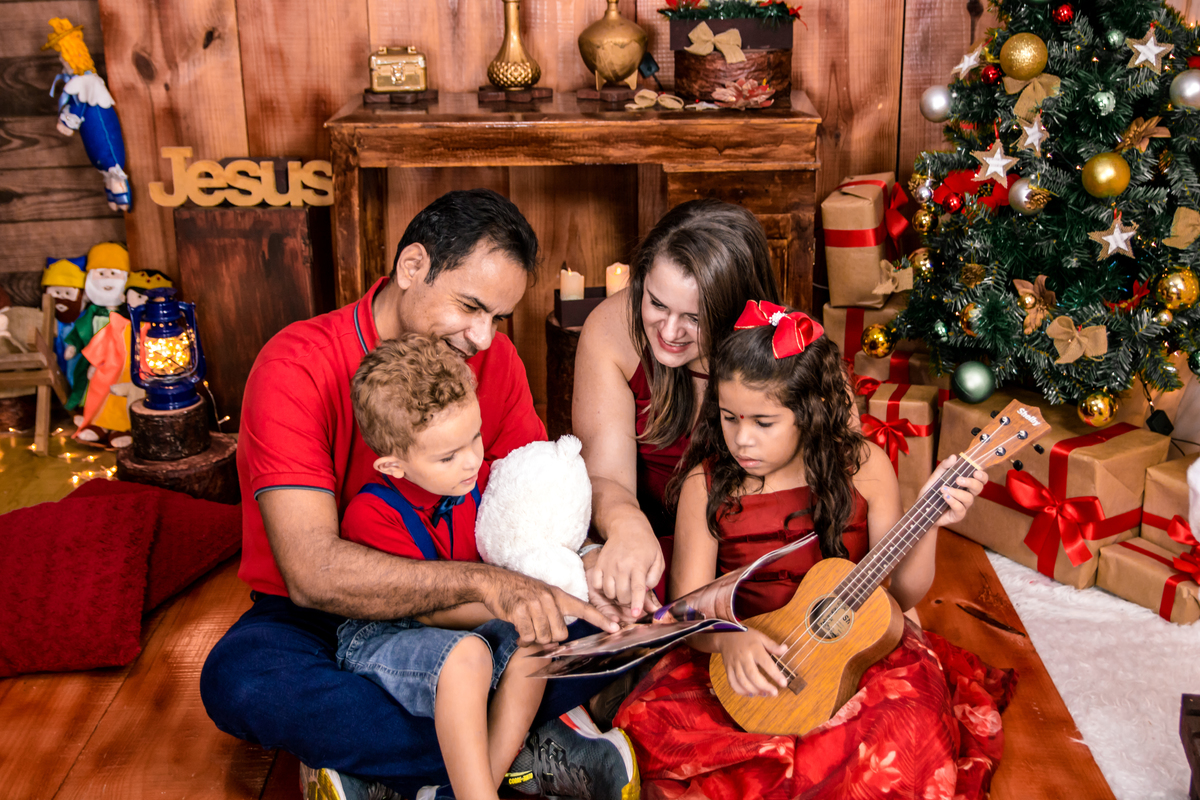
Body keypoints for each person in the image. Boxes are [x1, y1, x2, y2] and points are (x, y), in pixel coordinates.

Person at [199, 189, 623, 800]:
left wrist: (594, 558)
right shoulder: (296, 366)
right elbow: (312, 572)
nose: (483, 337)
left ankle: (380, 765)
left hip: (474, 616)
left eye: (498, 318)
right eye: (470, 307)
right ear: (413, 266)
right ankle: (516, 746)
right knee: (241, 682)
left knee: (612, 625)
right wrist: (486, 585)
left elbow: (536, 501)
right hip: (321, 620)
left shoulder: (495, 360)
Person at [612, 302, 1015, 800]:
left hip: (855, 656)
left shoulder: (864, 468)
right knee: (651, 725)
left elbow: (901, 596)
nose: (741, 439)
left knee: (906, 736)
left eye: (764, 422)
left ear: (809, 412)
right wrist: (729, 641)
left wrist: (928, 523)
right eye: (729, 417)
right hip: (744, 657)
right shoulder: (707, 484)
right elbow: (690, 612)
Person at [336, 334, 636, 800]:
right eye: (448, 456)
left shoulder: (473, 484)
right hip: (388, 634)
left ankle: (469, 791)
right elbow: (429, 611)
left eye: (475, 437)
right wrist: (530, 602)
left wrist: (575, 580)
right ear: (394, 467)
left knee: (539, 645)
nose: (472, 461)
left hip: (467, 624)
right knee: (470, 656)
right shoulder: (371, 514)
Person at [573, 200, 782, 619]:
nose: (669, 332)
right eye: (656, 303)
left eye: (695, 318)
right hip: (652, 552)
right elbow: (604, 477)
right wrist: (627, 524)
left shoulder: (787, 349)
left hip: (760, 559)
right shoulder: (612, 329)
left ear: (738, 312)